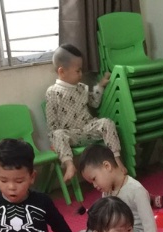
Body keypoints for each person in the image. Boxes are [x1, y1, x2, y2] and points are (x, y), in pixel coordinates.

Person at [69, 144, 163, 232]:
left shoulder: (136, 189)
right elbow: (104, 218)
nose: (94, 185)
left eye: (94, 179)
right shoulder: (107, 191)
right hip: (113, 231)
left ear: (107, 166)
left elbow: (148, 220)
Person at [45, 43, 122, 182]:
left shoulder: (81, 88)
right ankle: (70, 165)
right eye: (78, 71)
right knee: (57, 134)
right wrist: (55, 140)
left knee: (106, 122)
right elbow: (52, 122)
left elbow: (94, 102)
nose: (81, 74)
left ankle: (116, 161)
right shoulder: (53, 92)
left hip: (87, 129)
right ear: (62, 72)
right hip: (70, 135)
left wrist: (100, 85)